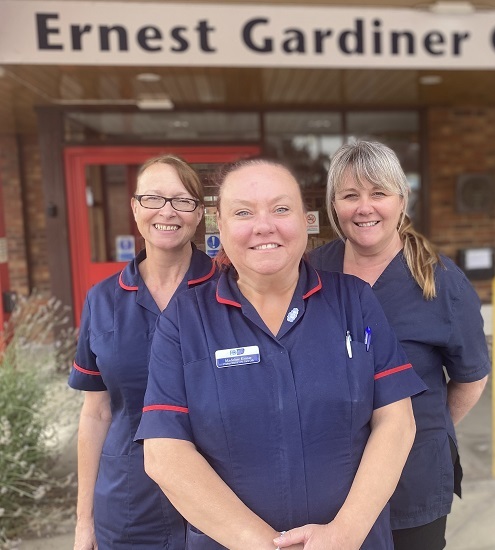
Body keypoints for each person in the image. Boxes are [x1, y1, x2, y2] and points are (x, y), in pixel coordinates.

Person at [135, 157, 426, 549]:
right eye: (243, 212)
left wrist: (345, 534)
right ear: (218, 225)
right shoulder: (185, 320)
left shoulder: (354, 301)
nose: (264, 225)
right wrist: (261, 544)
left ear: (307, 220)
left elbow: (397, 421)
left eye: (281, 208)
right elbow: (165, 453)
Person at [308, 140, 490, 550]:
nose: (364, 207)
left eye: (378, 193)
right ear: (334, 205)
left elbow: (471, 379)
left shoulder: (442, 282)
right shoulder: (313, 272)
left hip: (413, 479)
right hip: (330, 476)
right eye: (350, 195)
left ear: (402, 199)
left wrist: (421, 431)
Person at [69, 154, 215, 549]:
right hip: (130, 504)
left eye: (183, 200)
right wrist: (85, 522)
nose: (167, 212)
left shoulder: (228, 291)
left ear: (199, 214)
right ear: (134, 208)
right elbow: (96, 413)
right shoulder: (102, 299)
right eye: (153, 198)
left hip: (222, 501)